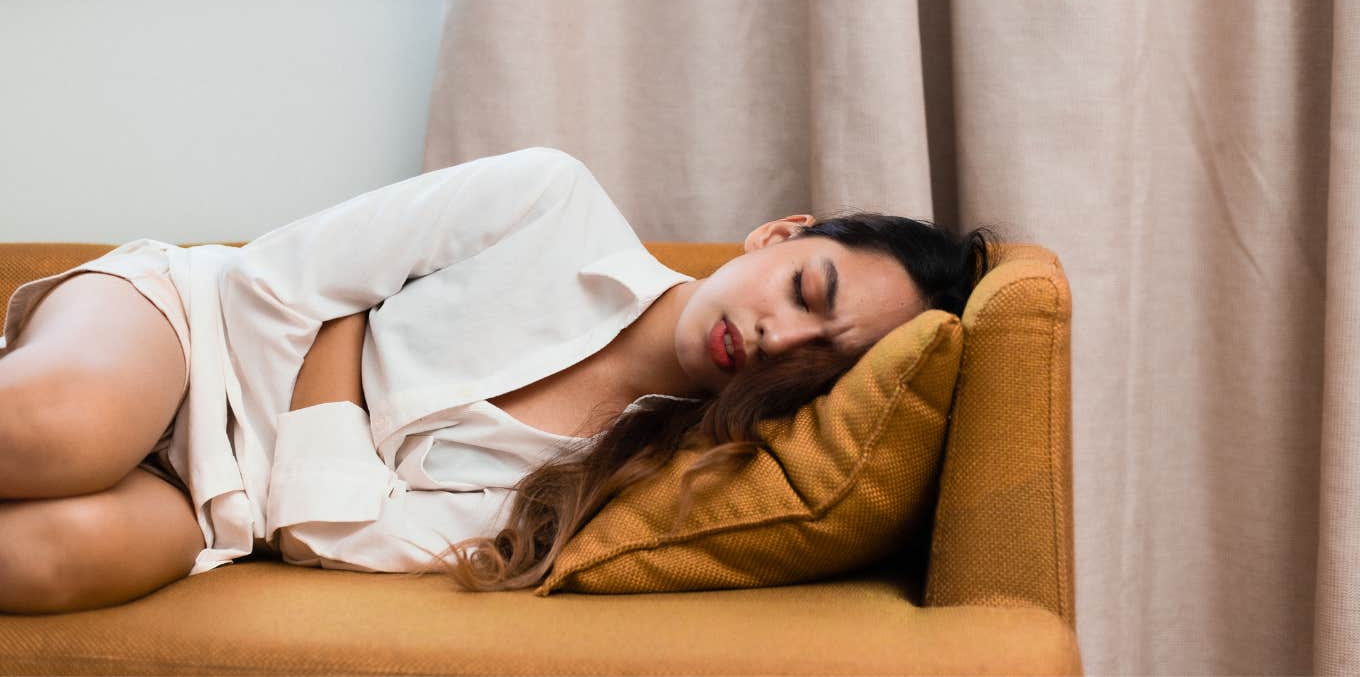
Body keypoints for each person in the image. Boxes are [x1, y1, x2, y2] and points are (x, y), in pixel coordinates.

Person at [0, 147, 999, 612]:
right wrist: (331, 426)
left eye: (825, 359)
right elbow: (276, 282)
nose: (782, 339)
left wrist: (347, 332)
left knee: (46, 556)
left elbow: (337, 538)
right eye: (805, 290)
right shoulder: (546, 202)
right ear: (778, 237)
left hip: (219, 511)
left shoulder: (634, 478)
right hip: (187, 328)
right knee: (60, 434)